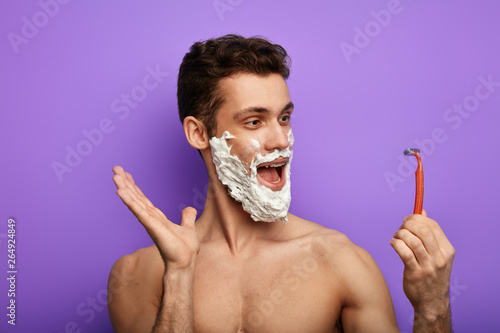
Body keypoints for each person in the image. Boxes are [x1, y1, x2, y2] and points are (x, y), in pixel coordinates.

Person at [108, 34, 455, 332]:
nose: (280, 139)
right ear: (199, 133)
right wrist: (181, 276)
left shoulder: (340, 262)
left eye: (284, 118)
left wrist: (433, 305)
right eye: (255, 122)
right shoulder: (139, 274)